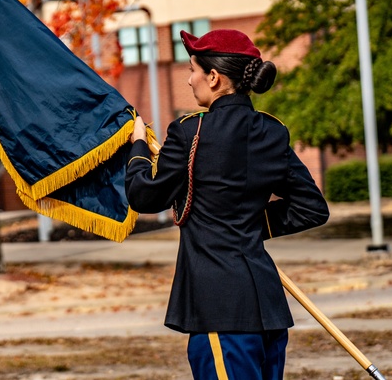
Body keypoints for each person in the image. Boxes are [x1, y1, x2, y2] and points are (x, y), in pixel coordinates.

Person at [125, 28, 329, 380]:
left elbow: (145, 195)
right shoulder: (272, 131)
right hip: (268, 311)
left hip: (221, 311)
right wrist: (249, 225)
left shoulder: (189, 132)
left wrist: (138, 148)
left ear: (215, 77)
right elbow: (312, 207)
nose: (190, 80)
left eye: (193, 69)